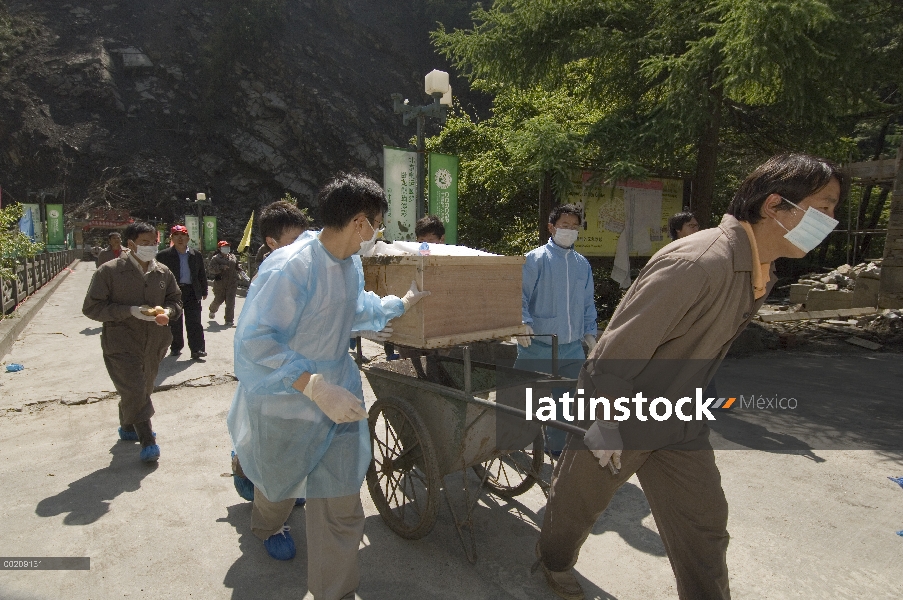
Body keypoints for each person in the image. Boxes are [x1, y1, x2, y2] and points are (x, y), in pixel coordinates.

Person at [534, 153, 845, 600]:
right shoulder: (700, 262)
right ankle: (552, 561)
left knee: (703, 523)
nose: (831, 221)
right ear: (776, 205)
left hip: (677, 415)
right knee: (576, 506)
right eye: (825, 206)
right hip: (618, 410)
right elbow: (621, 346)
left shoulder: (757, 270)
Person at [227, 173, 428, 597]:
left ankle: (334, 591)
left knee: (341, 505)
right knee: (278, 486)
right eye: (377, 223)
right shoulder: (291, 267)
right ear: (360, 222)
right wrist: (314, 386)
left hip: (338, 398)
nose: (378, 233)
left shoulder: (348, 262)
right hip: (289, 402)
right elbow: (255, 343)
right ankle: (267, 523)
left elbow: (352, 310)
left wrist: (400, 304)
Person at [231, 201, 314, 502]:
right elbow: (257, 342)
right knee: (265, 440)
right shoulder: (268, 277)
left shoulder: (304, 270)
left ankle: (289, 487)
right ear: (271, 242)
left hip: (297, 371)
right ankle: (268, 514)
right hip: (270, 375)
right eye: (294, 241)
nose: (302, 248)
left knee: (296, 436)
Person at [82, 222, 182, 463]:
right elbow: (92, 308)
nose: (150, 247)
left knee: (142, 389)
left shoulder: (162, 272)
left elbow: (175, 301)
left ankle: (127, 426)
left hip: (154, 342)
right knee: (136, 389)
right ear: (131, 244)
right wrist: (130, 311)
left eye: (153, 243)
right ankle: (148, 441)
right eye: (144, 243)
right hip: (121, 342)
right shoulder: (109, 271)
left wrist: (168, 312)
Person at [516, 204, 598, 454]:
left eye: (574, 227)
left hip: (572, 348)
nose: (569, 231)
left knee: (569, 403)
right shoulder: (535, 259)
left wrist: (590, 333)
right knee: (522, 399)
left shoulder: (582, 264)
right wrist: (522, 322)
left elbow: (587, 302)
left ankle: (557, 450)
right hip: (538, 345)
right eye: (564, 225)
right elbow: (520, 295)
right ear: (551, 227)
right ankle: (512, 443)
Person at [156, 225, 208, 360]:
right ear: (171, 238)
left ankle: (197, 349)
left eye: (183, 235)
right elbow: (158, 275)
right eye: (176, 235)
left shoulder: (195, 255)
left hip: (191, 291)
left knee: (195, 321)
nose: (180, 238)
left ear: (188, 238)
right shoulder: (163, 255)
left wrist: (204, 290)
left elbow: (201, 274)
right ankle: (176, 347)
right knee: (174, 321)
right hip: (173, 292)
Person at [208, 240, 243, 326]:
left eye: (227, 247)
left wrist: (239, 267)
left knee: (230, 302)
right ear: (220, 248)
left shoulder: (232, 257)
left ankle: (229, 320)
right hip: (220, 283)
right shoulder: (215, 258)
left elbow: (237, 265)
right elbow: (211, 269)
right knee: (219, 300)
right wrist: (221, 267)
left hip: (232, 282)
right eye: (224, 247)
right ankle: (212, 309)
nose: (226, 249)